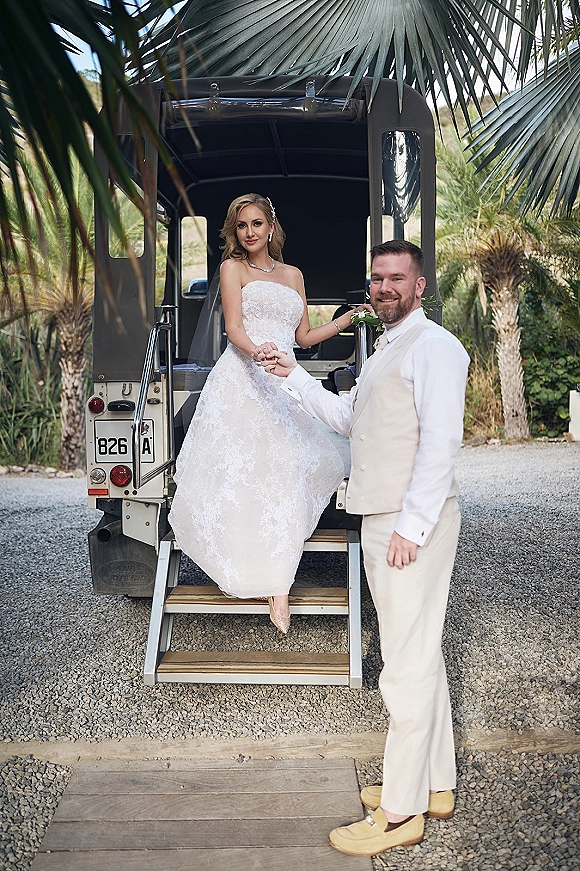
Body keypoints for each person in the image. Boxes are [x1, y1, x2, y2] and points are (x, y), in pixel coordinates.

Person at [263, 239, 470, 854]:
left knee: (403, 670)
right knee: (420, 655)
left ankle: (403, 814)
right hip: (383, 516)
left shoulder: (435, 348)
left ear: (420, 287)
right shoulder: (386, 347)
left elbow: (440, 445)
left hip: (408, 524)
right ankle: (435, 784)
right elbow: (349, 417)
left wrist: (411, 526)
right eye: (377, 278)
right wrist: (292, 375)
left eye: (396, 279)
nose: (383, 287)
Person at [168, 193, 369, 634]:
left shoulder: (294, 274)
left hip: (284, 376)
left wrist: (349, 318)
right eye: (242, 226)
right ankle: (274, 582)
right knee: (250, 472)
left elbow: (305, 336)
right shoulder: (232, 269)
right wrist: (255, 350)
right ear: (235, 231)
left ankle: (275, 571)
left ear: (272, 226)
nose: (250, 232)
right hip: (243, 375)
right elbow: (234, 328)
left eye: (257, 223)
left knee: (309, 461)